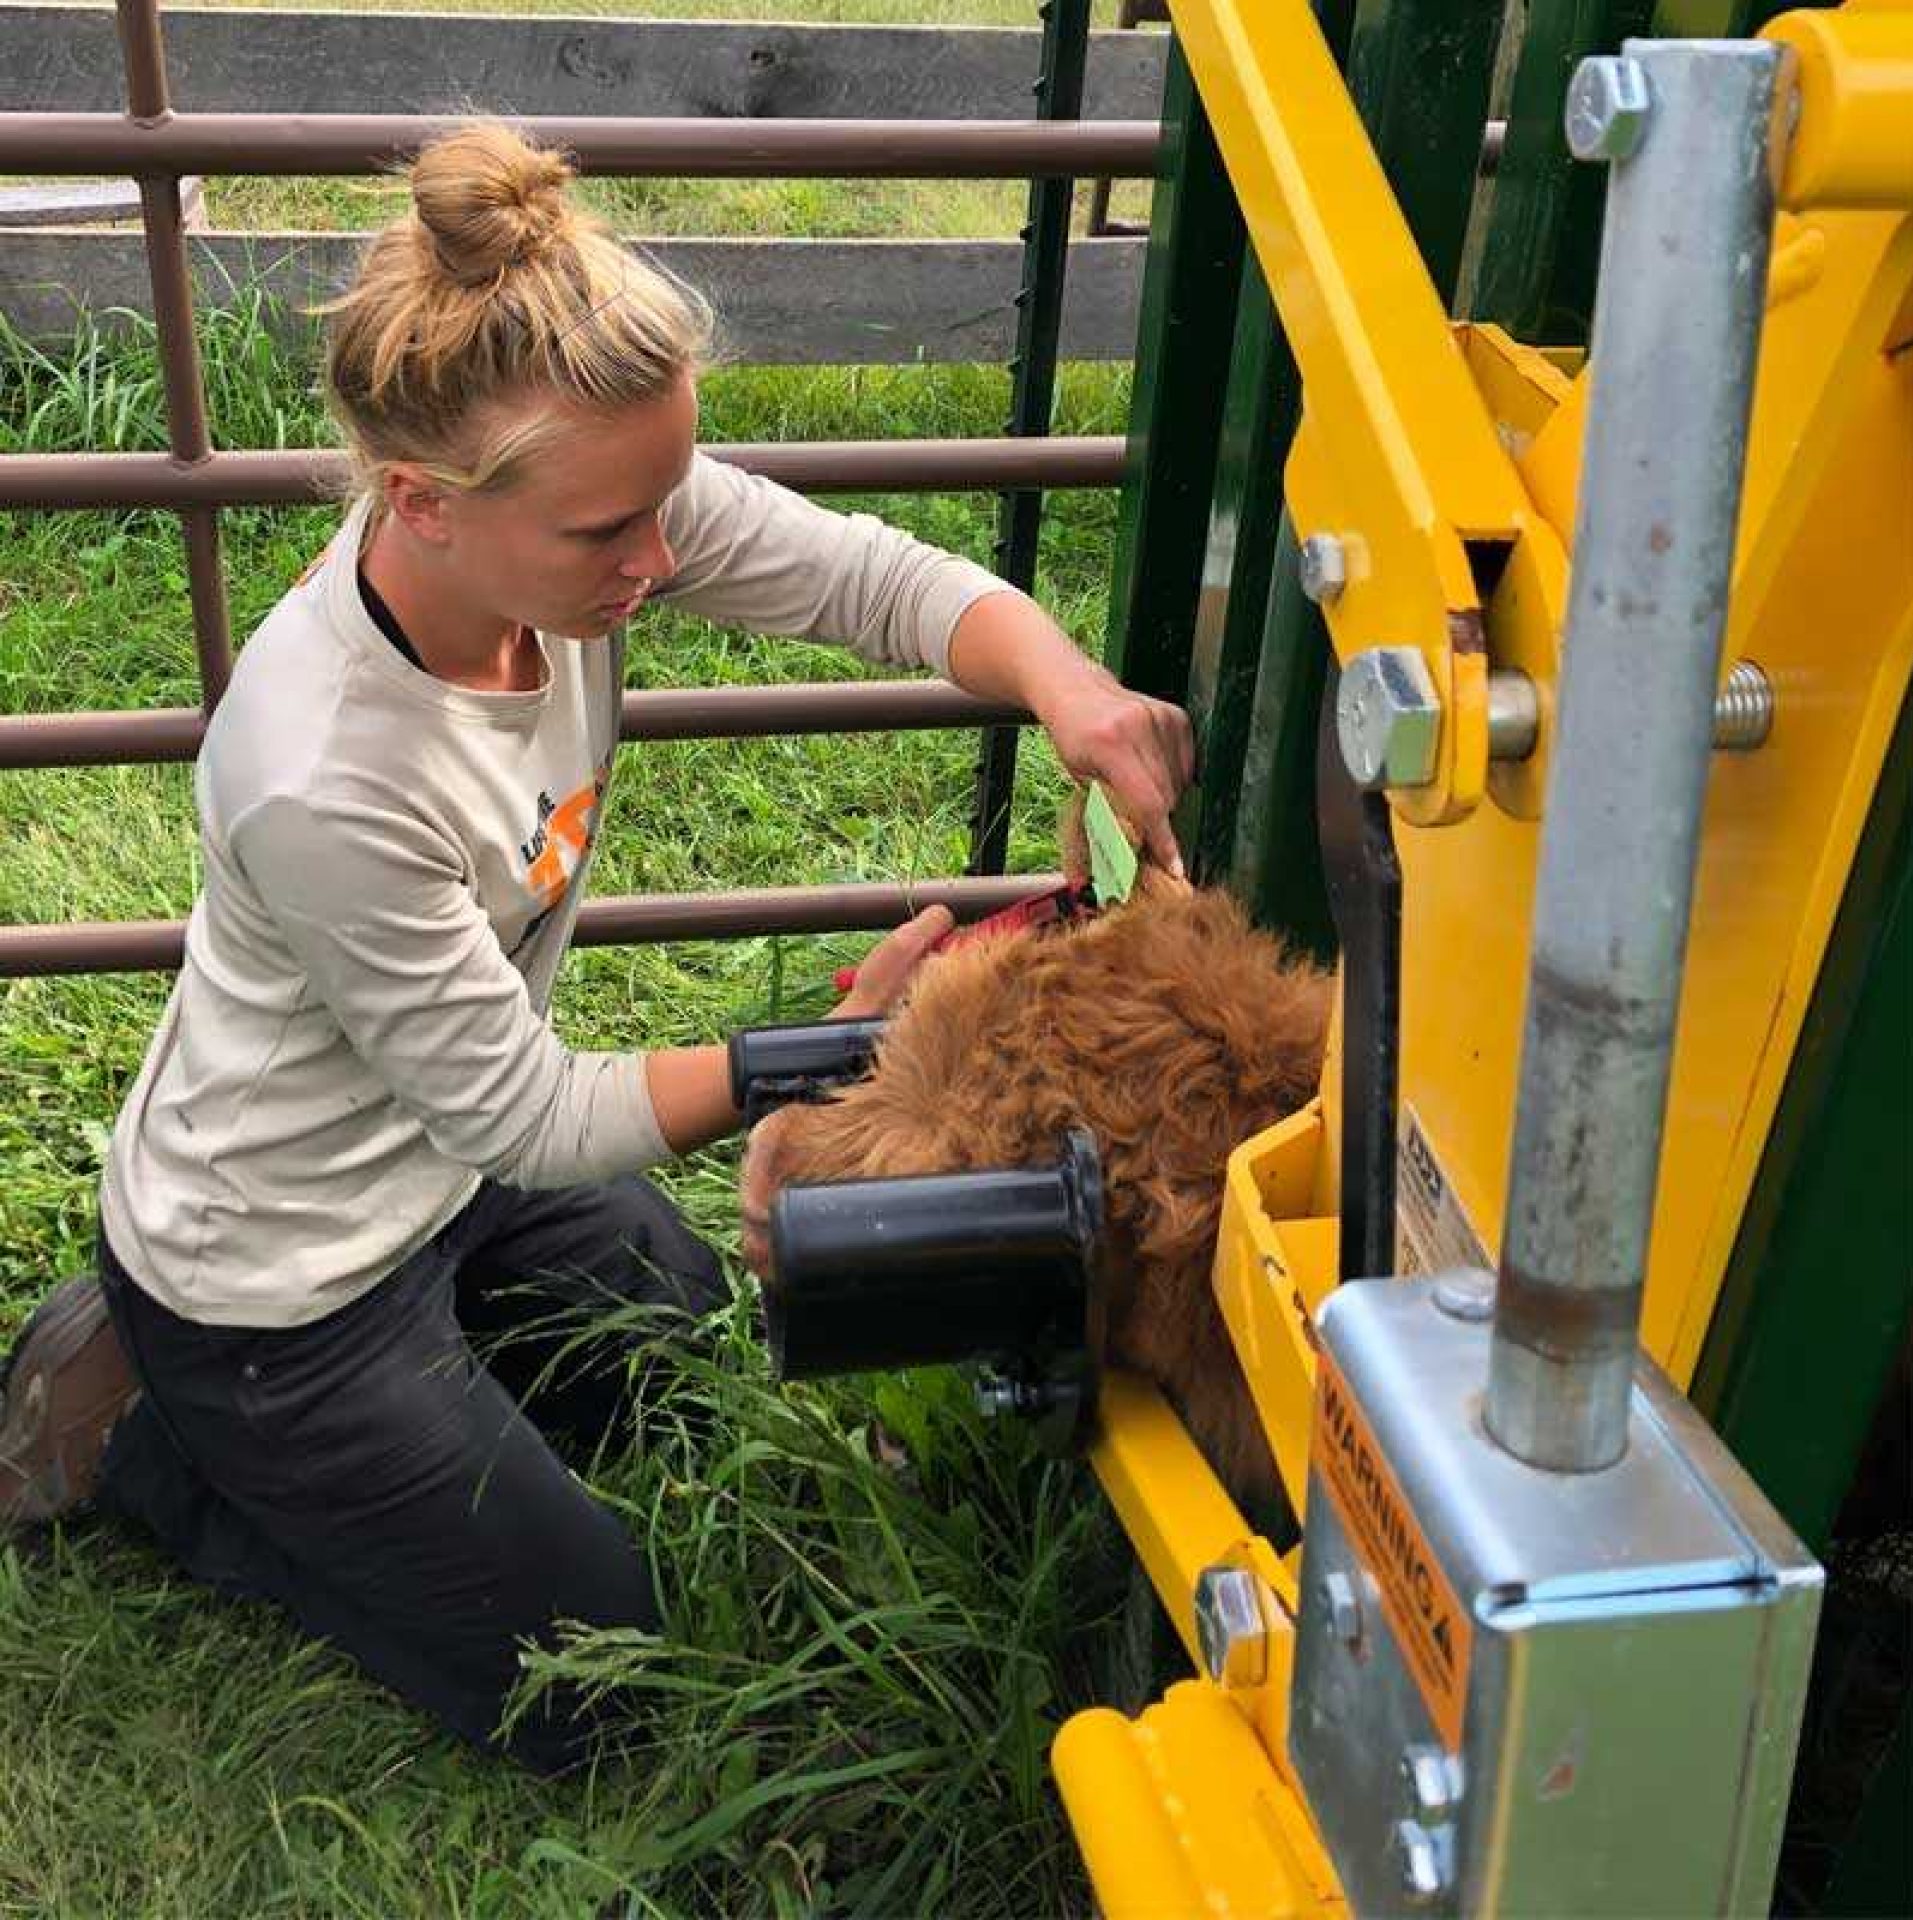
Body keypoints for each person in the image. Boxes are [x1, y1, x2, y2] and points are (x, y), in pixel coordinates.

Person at [0, 122, 1193, 1774]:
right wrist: (871, 1047)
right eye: (609, 535)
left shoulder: (575, 517)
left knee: (694, 1363)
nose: (660, 558)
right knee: (604, 1680)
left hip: (445, 1167)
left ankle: (389, 1402)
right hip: (281, 1275)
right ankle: (163, 1436)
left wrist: (1076, 695)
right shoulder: (324, 772)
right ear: (419, 498)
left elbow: (878, 580)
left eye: (664, 507)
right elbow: (533, 1117)